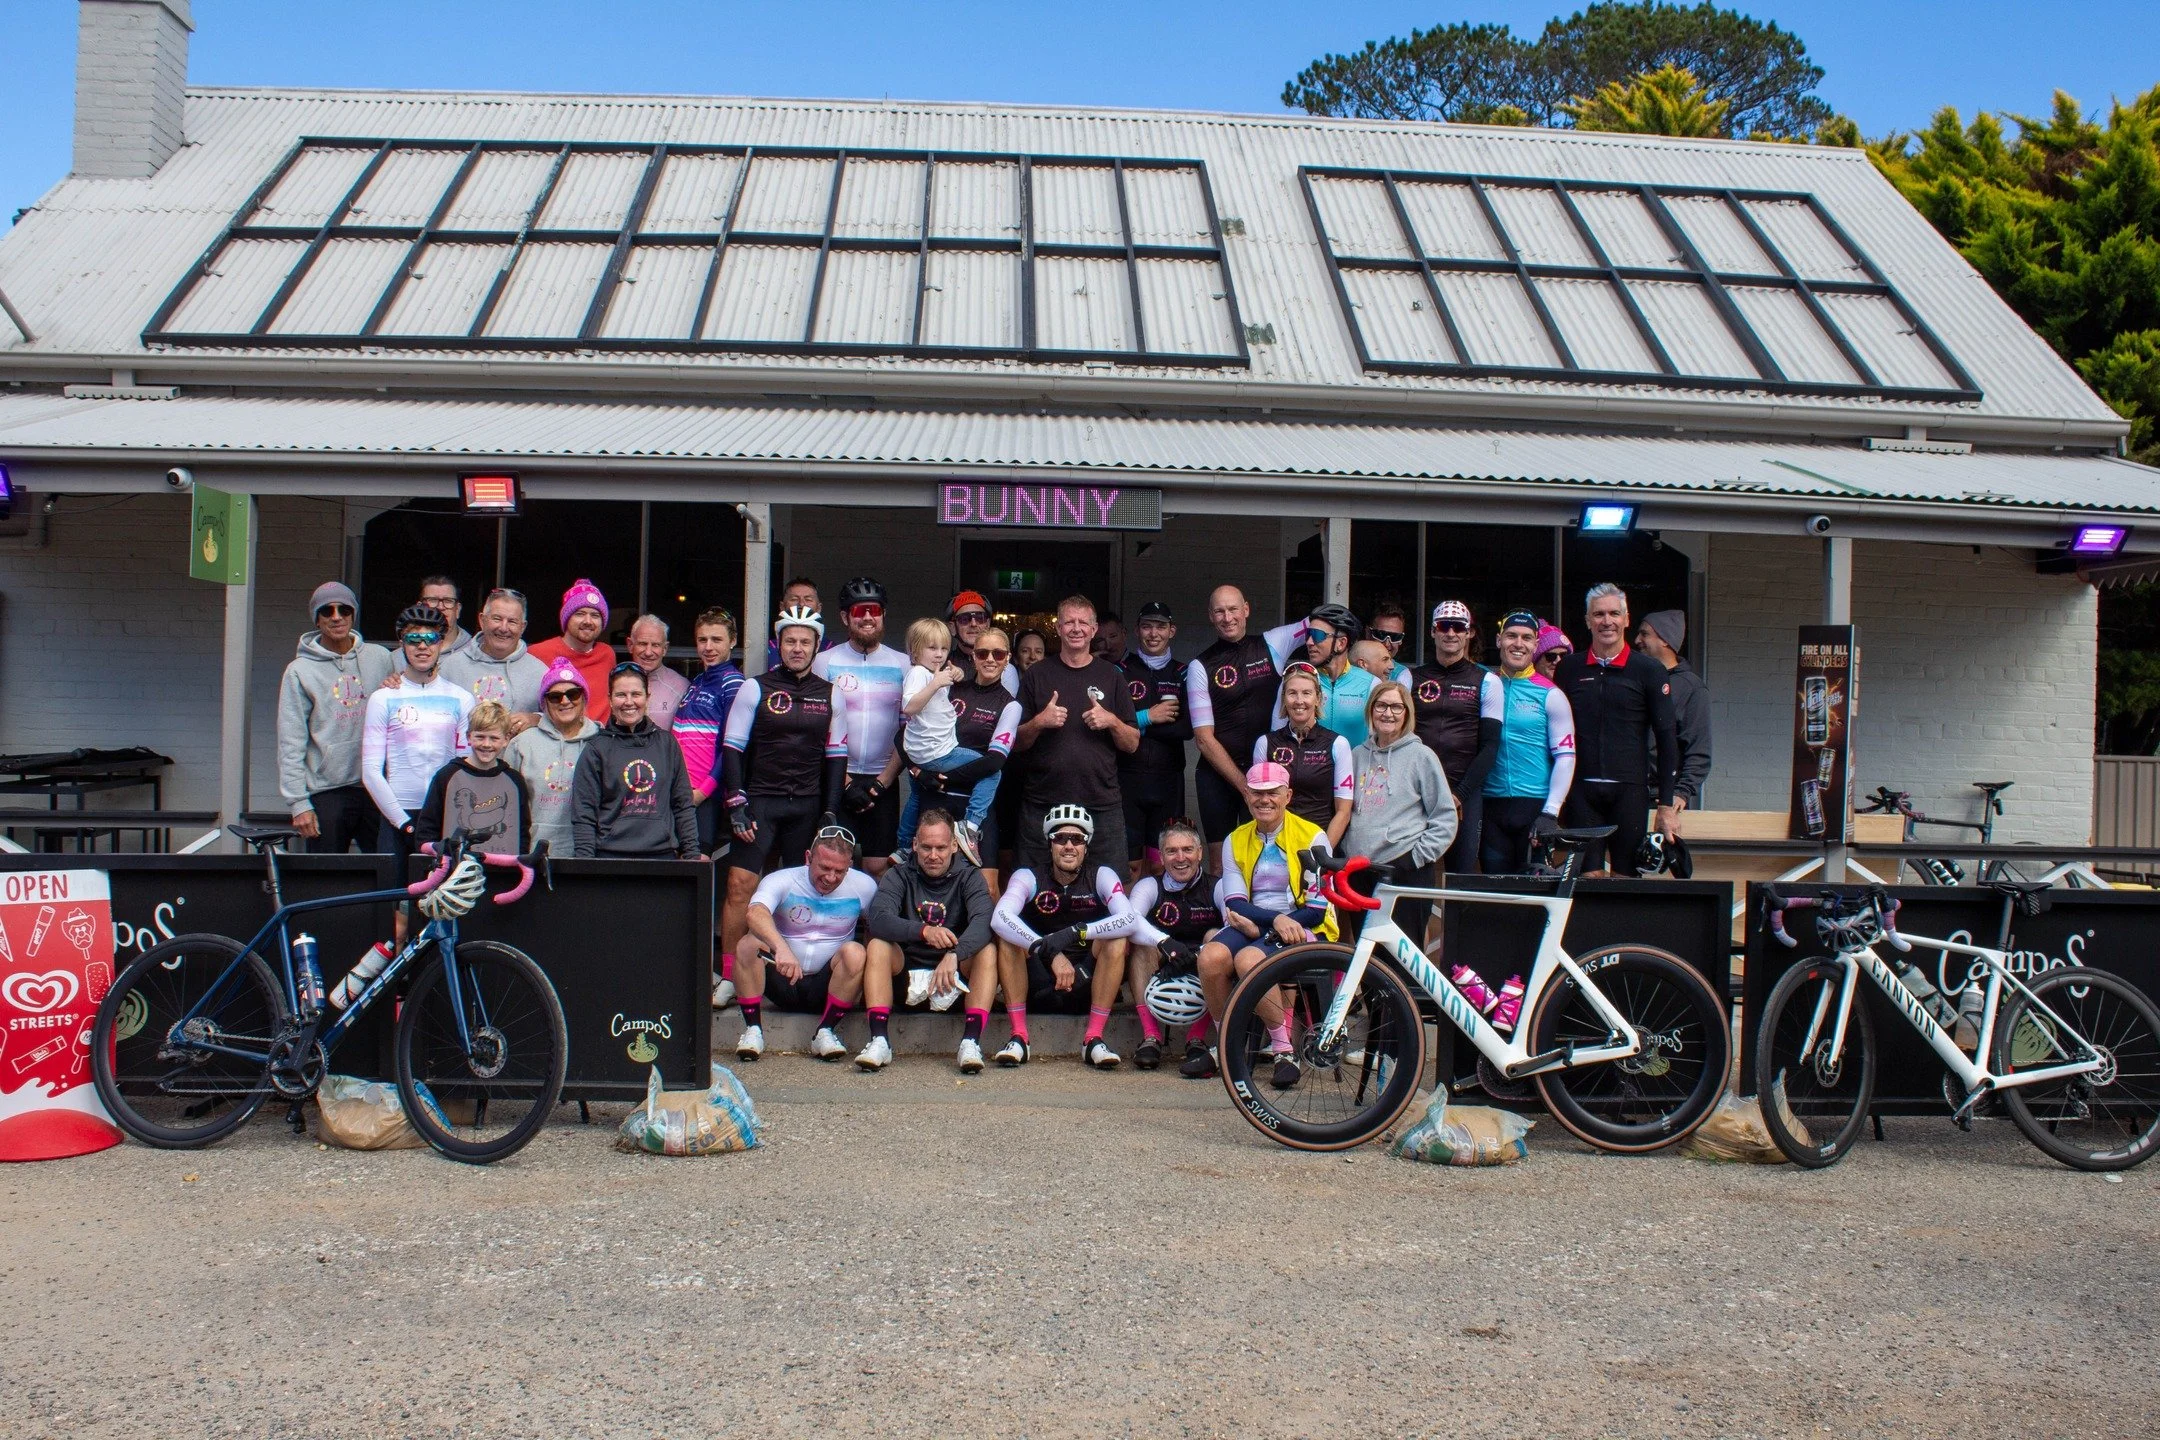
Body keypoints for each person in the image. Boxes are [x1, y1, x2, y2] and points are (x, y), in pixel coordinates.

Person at [1187, 763, 1337, 1084]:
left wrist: (1271, 925)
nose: (1264, 799)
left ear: (1288, 796)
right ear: (1246, 794)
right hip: (1259, 924)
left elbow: (1317, 907)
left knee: (1249, 959)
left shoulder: (1313, 835)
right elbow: (1236, 902)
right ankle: (1227, 1043)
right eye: (1257, 792)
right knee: (1210, 958)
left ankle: (1284, 1050)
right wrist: (1273, 922)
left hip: (1305, 925)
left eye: (1273, 792)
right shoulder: (1235, 839)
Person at [719, 606, 850, 967]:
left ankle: (786, 965)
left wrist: (830, 810)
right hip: (761, 801)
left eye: (805, 642)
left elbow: (837, 756)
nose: (797, 648)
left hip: (805, 806)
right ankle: (731, 973)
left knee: (797, 894)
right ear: (778, 644)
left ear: (816, 646)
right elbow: (732, 746)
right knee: (739, 885)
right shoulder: (755, 687)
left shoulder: (831, 693)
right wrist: (735, 802)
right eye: (790, 640)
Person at [992, 804, 1138, 1070]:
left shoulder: (1101, 875)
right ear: (1050, 844)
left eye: (1077, 839)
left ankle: (1093, 1039)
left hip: (1086, 979)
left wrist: (1078, 931)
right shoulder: (1028, 876)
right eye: (1060, 838)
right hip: (1038, 978)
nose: (1069, 845)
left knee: (1117, 940)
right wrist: (1046, 949)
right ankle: (1019, 1038)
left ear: (1086, 845)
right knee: (1007, 938)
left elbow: (1129, 920)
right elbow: (999, 917)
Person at [1553, 584, 1679, 875]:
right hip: (1581, 790)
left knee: (1626, 881)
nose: (1606, 621)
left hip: (1630, 792)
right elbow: (1554, 734)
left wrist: (1666, 804)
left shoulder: (1648, 670)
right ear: (1587, 621)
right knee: (1586, 879)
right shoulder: (1569, 669)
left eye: (1614, 613)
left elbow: (1666, 737)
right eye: (1598, 614)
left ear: (1626, 619)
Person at [860, 809, 999, 1073]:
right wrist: (924, 931)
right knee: (877, 945)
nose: (933, 855)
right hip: (905, 973)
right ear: (914, 845)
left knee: (988, 951)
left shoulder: (970, 877)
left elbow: (985, 922)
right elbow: (878, 918)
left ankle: (970, 1042)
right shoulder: (899, 874)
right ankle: (879, 1039)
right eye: (926, 847)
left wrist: (955, 954)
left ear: (954, 846)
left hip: (953, 979)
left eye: (941, 847)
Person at [1015, 594, 1139, 885]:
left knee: (1112, 887)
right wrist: (1039, 722)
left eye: (1083, 622)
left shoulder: (1112, 676)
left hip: (1100, 800)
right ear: (1057, 628)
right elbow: (1014, 742)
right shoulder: (1036, 675)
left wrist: (1111, 721)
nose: (1076, 628)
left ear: (1094, 630)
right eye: (1069, 621)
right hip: (1042, 800)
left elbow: (1132, 743)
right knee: (1030, 885)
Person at [733, 825, 877, 1062]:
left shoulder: (864, 886)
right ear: (809, 858)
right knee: (749, 944)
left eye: (839, 871)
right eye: (824, 868)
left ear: (850, 865)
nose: (830, 878)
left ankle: (826, 1031)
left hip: (828, 982)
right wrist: (781, 948)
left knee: (856, 952)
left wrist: (866, 985)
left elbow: (876, 930)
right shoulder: (782, 879)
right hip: (782, 976)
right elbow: (755, 913)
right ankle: (752, 1031)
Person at [1185, 586, 1306, 855]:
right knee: (1219, 860)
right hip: (1217, 777)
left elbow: (1319, 623)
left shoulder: (1273, 643)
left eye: (1233, 609)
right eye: (1219, 611)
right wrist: (1244, 786)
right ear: (1210, 616)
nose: (1227, 618)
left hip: (1265, 773)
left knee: (1266, 854)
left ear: (1246, 610)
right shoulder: (1200, 666)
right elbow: (1204, 739)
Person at [277, 581, 393, 853]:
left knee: (386, 873)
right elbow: (290, 742)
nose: (337, 616)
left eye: (344, 609)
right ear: (316, 619)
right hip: (327, 790)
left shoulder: (381, 658)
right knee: (327, 876)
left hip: (377, 784)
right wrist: (298, 803)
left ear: (353, 614)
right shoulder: (299, 671)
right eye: (327, 611)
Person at [1344, 681, 1457, 948]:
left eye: (1396, 706)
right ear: (1371, 711)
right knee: (1366, 957)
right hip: (1360, 873)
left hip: (1404, 870)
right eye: (1381, 706)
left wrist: (1414, 858)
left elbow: (1445, 817)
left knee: (1402, 956)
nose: (1388, 713)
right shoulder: (1356, 755)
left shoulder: (1422, 756)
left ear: (1407, 713)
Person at [360, 604, 474, 867]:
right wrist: (402, 822)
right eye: (414, 639)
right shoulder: (383, 698)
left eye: (430, 638)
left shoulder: (461, 698)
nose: (422, 646)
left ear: (441, 643)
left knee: (440, 900)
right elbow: (370, 771)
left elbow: (463, 765)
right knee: (392, 903)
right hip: (397, 816)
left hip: (443, 816)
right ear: (402, 644)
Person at [812, 577, 908, 874]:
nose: (868, 617)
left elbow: (908, 731)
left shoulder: (903, 664)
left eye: (874, 610)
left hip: (884, 780)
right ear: (844, 616)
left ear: (883, 615)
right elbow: (818, 729)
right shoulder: (824, 661)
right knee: (833, 864)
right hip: (837, 777)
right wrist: (846, 783)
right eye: (859, 611)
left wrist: (882, 783)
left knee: (878, 867)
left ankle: (872, 923)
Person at [896, 617, 1002, 864]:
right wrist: (935, 683)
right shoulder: (919, 674)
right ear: (914, 650)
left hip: (923, 752)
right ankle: (971, 825)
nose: (939, 654)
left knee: (916, 795)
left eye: (943, 648)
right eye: (932, 648)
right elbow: (909, 707)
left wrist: (955, 672)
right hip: (938, 753)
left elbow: (952, 676)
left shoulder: (933, 673)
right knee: (991, 771)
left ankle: (902, 846)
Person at [1410, 600, 1502, 876]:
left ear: (1469, 632)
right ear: (1433, 631)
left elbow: (1489, 746)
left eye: (1458, 627)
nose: (1451, 633)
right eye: (1444, 626)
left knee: (1460, 876)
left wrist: (1459, 795)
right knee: (1416, 872)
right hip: (1417, 793)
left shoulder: (1487, 681)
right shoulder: (1411, 677)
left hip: (1464, 793)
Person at [571, 663, 699, 860]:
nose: (629, 702)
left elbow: (683, 804)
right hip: (610, 857)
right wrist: (585, 865)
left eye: (636, 694)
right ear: (610, 700)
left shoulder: (667, 744)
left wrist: (692, 855)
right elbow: (584, 814)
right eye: (621, 695)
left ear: (647, 698)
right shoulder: (597, 749)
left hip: (661, 855)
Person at [1482, 613, 1578, 875]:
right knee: (1494, 892)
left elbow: (1566, 757)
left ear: (1536, 645)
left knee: (1532, 898)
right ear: (1499, 640)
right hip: (1491, 805)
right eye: (1512, 636)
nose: (1518, 643)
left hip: (1533, 807)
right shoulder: (1484, 685)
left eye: (1527, 638)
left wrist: (1550, 812)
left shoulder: (1551, 694)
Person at [1126, 820, 1223, 1072]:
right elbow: (1130, 919)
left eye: (1187, 849)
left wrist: (1198, 954)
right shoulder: (1150, 885)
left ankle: (1196, 1038)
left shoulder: (1217, 886)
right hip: (1163, 958)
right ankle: (1151, 1037)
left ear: (1200, 852)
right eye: (1171, 851)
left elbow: (1233, 923)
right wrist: (1164, 943)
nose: (1180, 858)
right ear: (1162, 856)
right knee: (1139, 947)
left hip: (1201, 962)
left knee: (1216, 939)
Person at [1119, 600, 1190, 878]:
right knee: (1130, 867)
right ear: (1137, 630)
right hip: (1127, 779)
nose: (1153, 634)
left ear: (1172, 631)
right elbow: (1110, 724)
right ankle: (1127, 922)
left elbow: (1186, 729)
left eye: (1160, 627)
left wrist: (1134, 723)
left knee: (1163, 864)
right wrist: (1150, 715)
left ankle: (1158, 921)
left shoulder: (1183, 672)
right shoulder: (1120, 670)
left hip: (1167, 782)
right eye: (1147, 626)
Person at [409, 700, 531, 855]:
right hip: (455, 871)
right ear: (468, 736)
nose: (486, 744)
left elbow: (523, 831)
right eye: (480, 737)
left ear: (506, 739)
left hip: (504, 873)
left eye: (494, 738)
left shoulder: (515, 781)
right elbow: (427, 831)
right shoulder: (446, 776)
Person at [673, 607, 746, 854]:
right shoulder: (697, 681)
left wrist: (703, 793)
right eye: (702, 639)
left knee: (697, 864)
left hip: (705, 795)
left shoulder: (733, 682)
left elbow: (732, 748)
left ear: (733, 641)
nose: (708, 647)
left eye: (716, 639)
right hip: (681, 791)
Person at [1256, 664, 1353, 848]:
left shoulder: (1338, 744)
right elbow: (1259, 800)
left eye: (1306, 693)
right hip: (1276, 844)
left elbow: (1344, 811)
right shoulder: (1265, 743)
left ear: (1318, 699)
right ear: (1284, 699)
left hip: (1319, 840)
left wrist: (1321, 855)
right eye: (1292, 693)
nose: (1299, 700)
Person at [505, 658, 593, 857]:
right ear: (544, 703)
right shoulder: (521, 744)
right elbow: (507, 803)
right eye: (555, 697)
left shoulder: (600, 741)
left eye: (573, 694)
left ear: (584, 698)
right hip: (532, 853)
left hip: (586, 853)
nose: (565, 701)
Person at [439, 588, 547, 735]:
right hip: (462, 757)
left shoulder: (540, 673)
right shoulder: (450, 667)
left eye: (512, 621)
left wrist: (536, 719)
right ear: (482, 620)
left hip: (514, 757)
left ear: (523, 627)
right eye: (497, 619)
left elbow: (561, 719)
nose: (503, 628)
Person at [1636, 610, 1711, 812]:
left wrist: (1681, 793)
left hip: (1663, 802)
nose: (1637, 640)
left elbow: (1698, 750)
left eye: (1644, 634)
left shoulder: (1691, 688)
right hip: (1627, 795)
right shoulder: (1635, 678)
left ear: (1665, 640)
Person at [528, 579, 617, 723]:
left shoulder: (607, 654)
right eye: (580, 613)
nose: (588, 621)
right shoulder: (537, 653)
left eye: (595, 615)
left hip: (600, 740)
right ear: (567, 618)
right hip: (556, 740)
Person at [1298, 603, 1377, 746]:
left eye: (1317, 635)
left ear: (1341, 643)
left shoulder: (1371, 684)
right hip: (1309, 768)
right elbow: (1278, 736)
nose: (1309, 642)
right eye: (1308, 635)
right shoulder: (1296, 681)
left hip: (1355, 768)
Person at [625, 615, 691, 731]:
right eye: (643, 644)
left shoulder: (681, 687)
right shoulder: (616, 682)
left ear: (665, 649)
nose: (648, 652)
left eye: (655, 645)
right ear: (630, 645)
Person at [391, 576, 471, 670]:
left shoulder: (473, 653)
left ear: (458, 609)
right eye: (433, 600)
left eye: (448, 601)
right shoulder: (396, 659)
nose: (440, 607)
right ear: (419, 607)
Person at [948, 591, 1018, 695]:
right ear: (952, 627)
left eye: (980, 618)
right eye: (964, 619)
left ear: (988, 624)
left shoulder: (1005, 669)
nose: (973, 623)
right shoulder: (941, 663)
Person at [763, 577, 823, 669]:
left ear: (819, 608)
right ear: (782, 606)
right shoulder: (766, 650)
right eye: (794, 599)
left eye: (808, 599)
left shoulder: (831, 649)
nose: (802, 604)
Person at [1365, 599, 1414, 685]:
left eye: (1395, 637)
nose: (1387, 644)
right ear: (1368, 633)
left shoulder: (1402, 675)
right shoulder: (1348, 668)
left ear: (1401, 639)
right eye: (1381, 634)